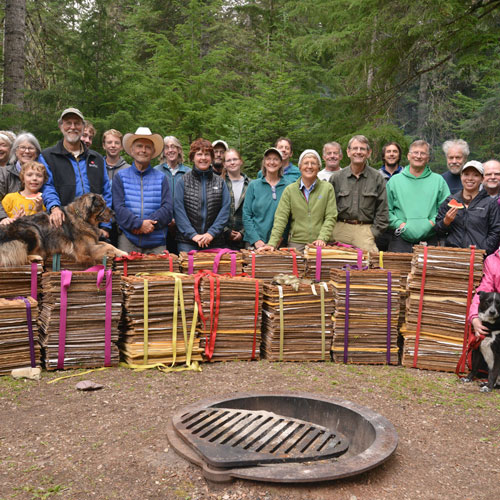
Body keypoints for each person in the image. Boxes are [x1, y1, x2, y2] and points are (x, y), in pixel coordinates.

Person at [40, 107, 112, 238]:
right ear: (61, 126)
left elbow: (106, 191)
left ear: (83, 127)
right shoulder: (47, 156)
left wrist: (106, 226)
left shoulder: (97, 159)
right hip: (63, 226)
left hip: (92, 227)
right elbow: (47, 186)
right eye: (68, 123)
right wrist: (54, 207)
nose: (72, 127)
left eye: (77, 123)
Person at [261, 149, 337, 253]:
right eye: (306, 163)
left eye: (313, 163)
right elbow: (281, 218)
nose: (309, 166)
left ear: (319, 167)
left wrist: (322, 238)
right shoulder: (290, 190)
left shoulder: (327, 188)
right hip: (297, 242)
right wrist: (272, 243)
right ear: (300, 167)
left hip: (320, 243)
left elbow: (331, 216)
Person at [112, 127, 172, 253]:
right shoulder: (120, 177)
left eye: (148, 147)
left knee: (160, 273)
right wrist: (138, 224)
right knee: (125, 273)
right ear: (132, 150)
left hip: (156, 241)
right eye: (139, 146)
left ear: (153, 152)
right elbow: (118, 208)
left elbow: (167, 209)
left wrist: (148, 225)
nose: (143, 150)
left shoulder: (162, 178)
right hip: (128, 239)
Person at [386, 139, 450, 252]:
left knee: (429, 270)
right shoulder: (394, 181)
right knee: (398, 270)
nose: (419, 156)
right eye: (415, 152)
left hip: (430, 240)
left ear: (428, 158)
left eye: (423, 153)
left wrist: (431, 223)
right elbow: (386, 210)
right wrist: (400, 224)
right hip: (400, 240)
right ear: (408, 156)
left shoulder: (438, 180)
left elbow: (445, 208)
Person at [329, 135, 388, 252]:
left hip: (365, 229)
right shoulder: (337, 178)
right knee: (334, 263)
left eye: (362, 149)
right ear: (348, 152)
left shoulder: (377, 178)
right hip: (340, 228)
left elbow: (383, 211)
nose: (358, 152)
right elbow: (328, 209)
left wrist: (373, 232)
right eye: (355, 148)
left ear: (368, 152)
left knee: (369, 263)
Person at [174, 138, 230, 252]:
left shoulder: (220, 182)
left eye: (207, 154)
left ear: (212, 158)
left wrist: (211, 233)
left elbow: (225, 210)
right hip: (187, 242)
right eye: (199, 154)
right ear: (193, 158)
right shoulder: (183, 181)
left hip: (214, 241)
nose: (203, 158)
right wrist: (193, 235)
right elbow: (178, 210)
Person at [435, 161, 500, 255]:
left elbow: (496, 231)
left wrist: (483, 250)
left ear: (482, 179)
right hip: (452, 256)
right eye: (466, 174)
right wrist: (445, 222)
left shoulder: (490, 203)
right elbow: (438, 231)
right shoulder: (449, 201)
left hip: (478, 257)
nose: (470, 178)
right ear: (461, 177)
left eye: (475, 175)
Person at [243, 148, 289, 249]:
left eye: (276, 159)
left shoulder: (288, 187)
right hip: (254, 243)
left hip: (279, 244)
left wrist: (279, 240)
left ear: (281, 163)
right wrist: (256, 240)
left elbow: (290, 217)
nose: (272, 162)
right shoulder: (253, 185)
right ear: (264, 162)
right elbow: (246, 215)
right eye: (268, 159)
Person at [154, 136, 191, 253]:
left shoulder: (188, 172)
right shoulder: (156, 171)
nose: (170, 150)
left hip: (184, 226)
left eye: (173, 146)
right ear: (163, 152)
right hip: (161, 225)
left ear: (179, 150)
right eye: (167, 147)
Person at [0, 132, 42, 223]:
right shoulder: (3, 173)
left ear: (37, 152)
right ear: (15, 151)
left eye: (31, 148)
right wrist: (3, 218)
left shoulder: (44, 173)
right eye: (22, 147)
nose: (26, 151)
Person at [376, 142, 404, 250]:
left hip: (401, 226)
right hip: (381, 228)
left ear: (399, 155)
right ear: (383, 155)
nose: (391, 154)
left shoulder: (406, 175)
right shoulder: (376, 176)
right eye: (388, 151)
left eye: (395, 151)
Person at [222, 148, 250, 249]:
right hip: (222, 238)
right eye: (228, 160)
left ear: (241, 161)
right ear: (224, 164)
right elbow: (213, 210)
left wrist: (242, 233)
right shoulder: (219, 183)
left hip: (246, 238)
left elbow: (255, 212)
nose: (232, 162)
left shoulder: (251, 184)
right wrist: (226, 231)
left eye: (235, 159)